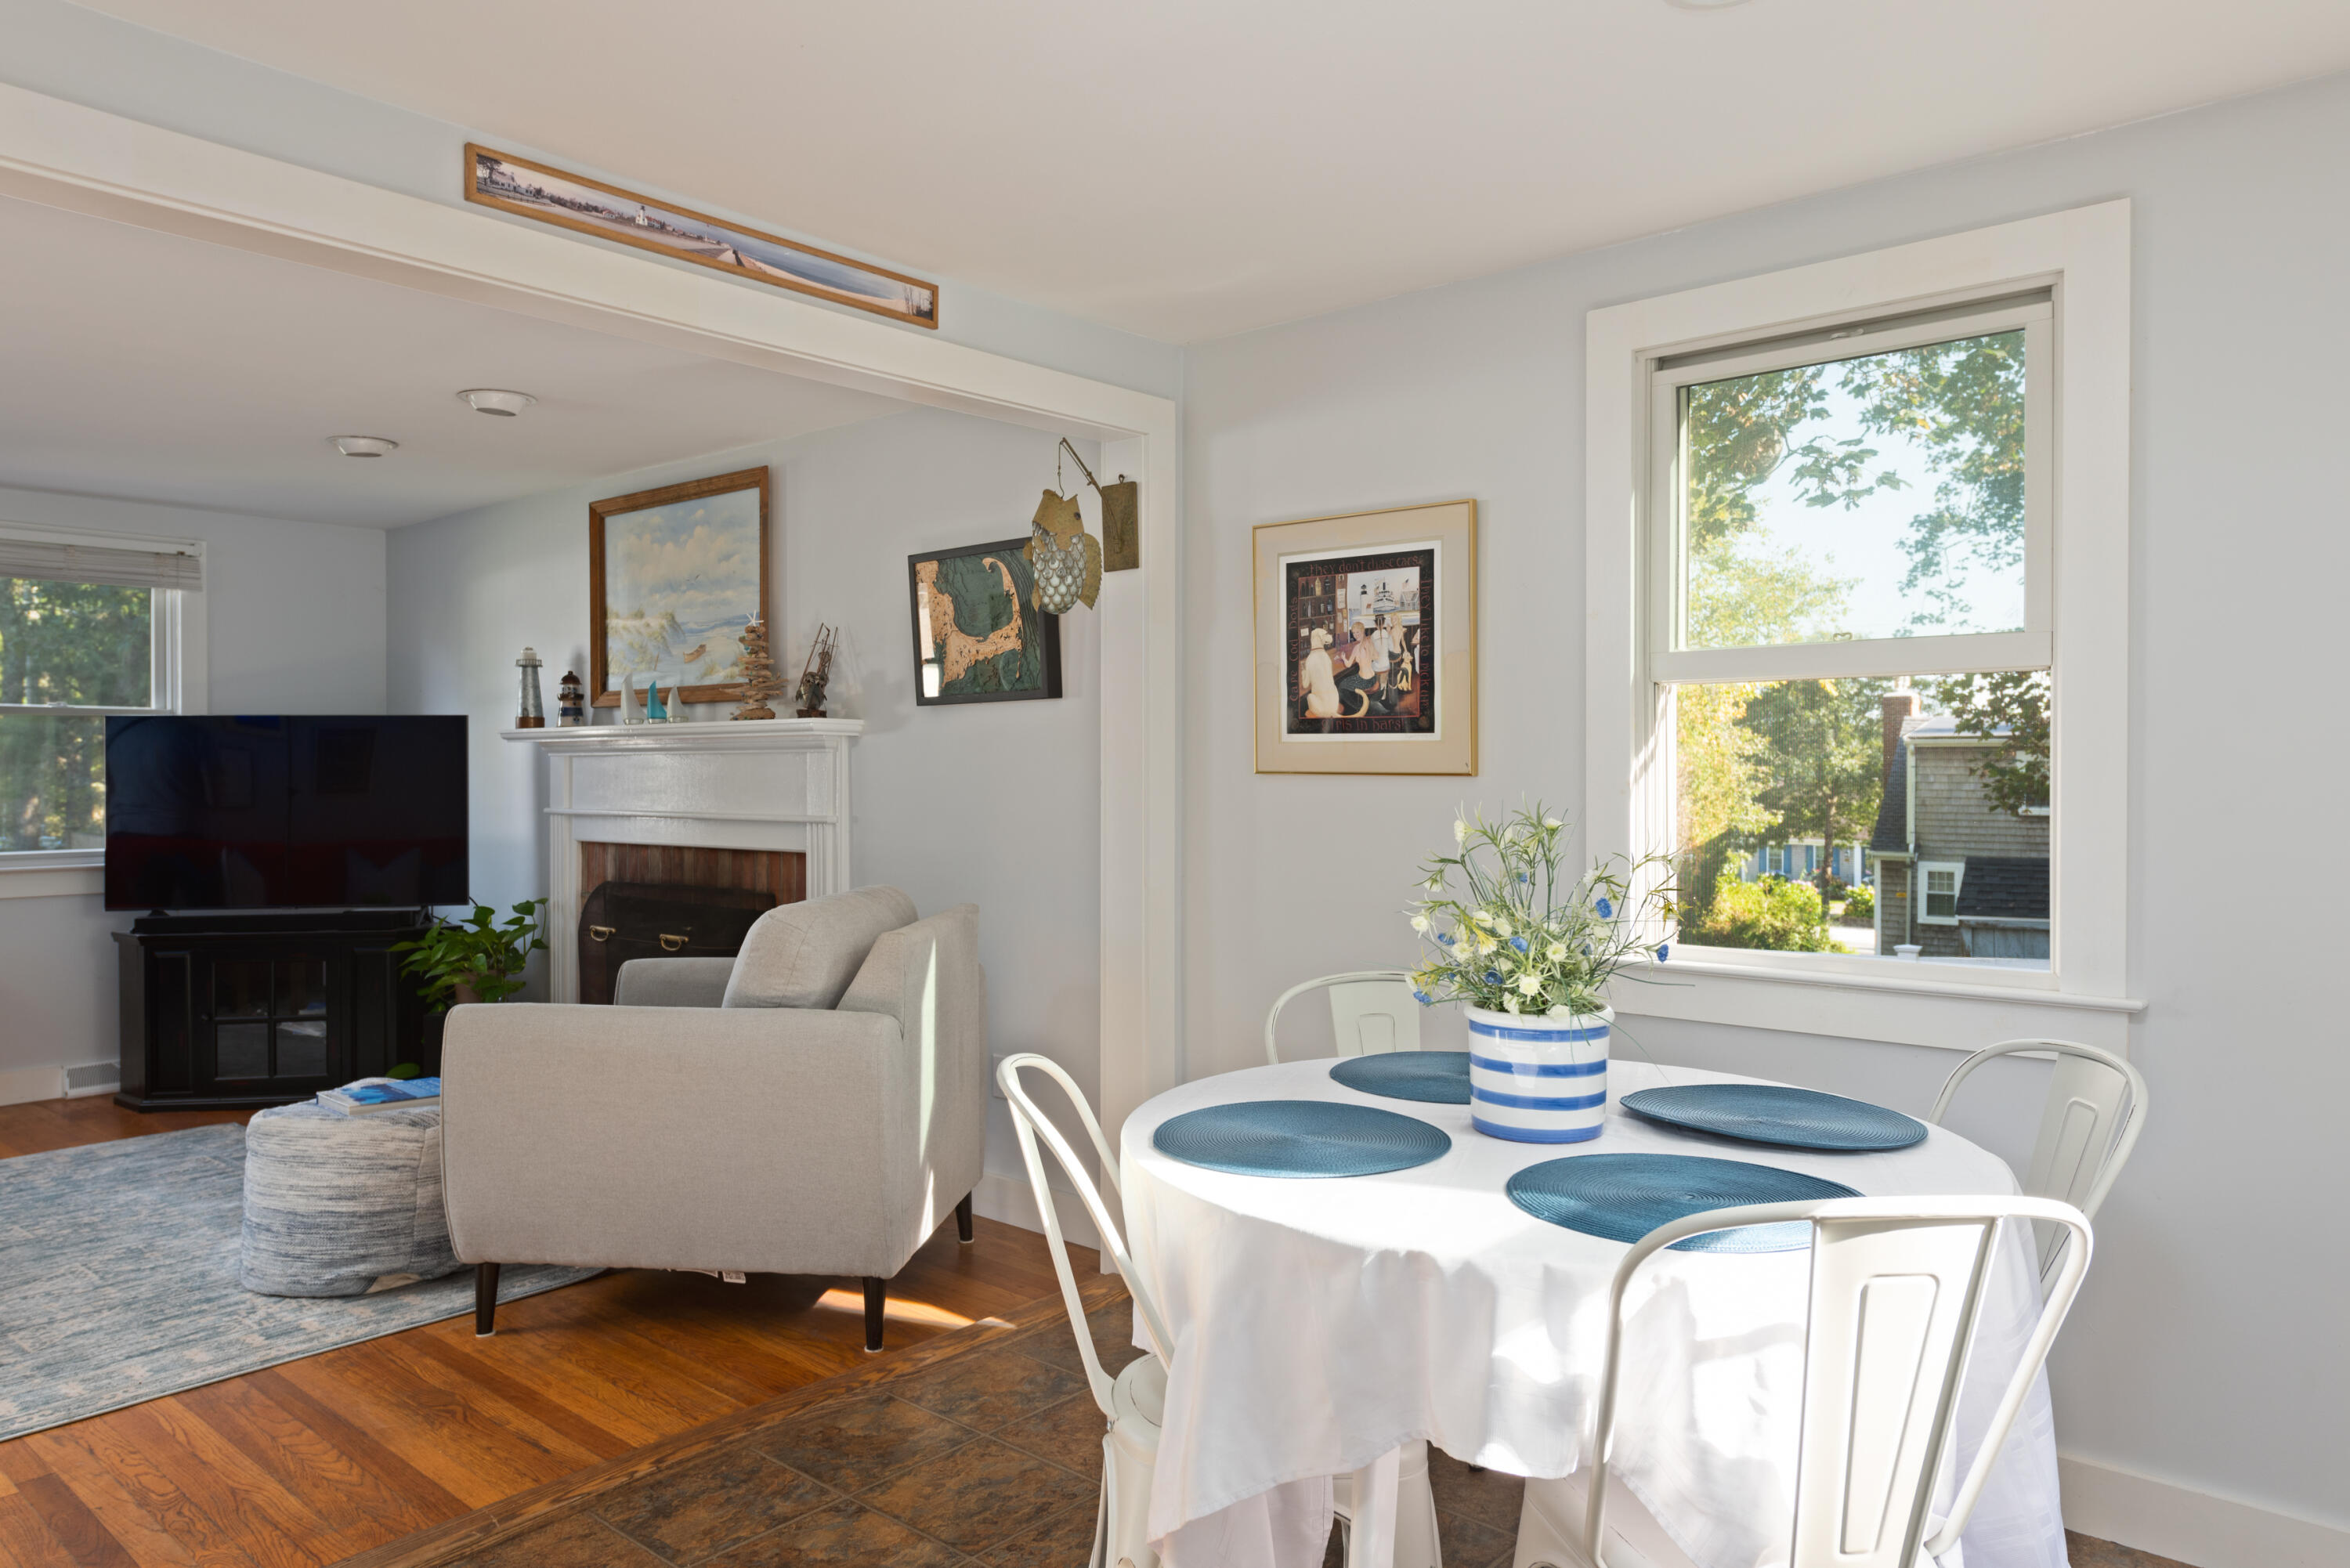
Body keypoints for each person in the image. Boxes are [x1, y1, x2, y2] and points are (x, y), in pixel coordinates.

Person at [1298, 626, 1341, 720]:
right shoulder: (1326, 657)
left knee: (1309, 697)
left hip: (1322, 710)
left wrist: (1303, 669)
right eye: (1326, 634)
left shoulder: (1310, 660)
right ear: (1318, 637)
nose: (1329, 636)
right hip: (1334, 705)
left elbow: (1305, 685)